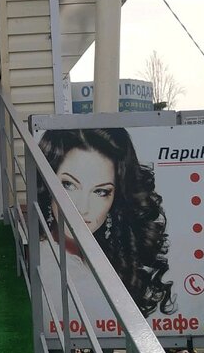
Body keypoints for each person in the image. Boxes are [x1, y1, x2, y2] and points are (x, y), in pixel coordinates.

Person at [38, 128, 173, 318]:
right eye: (69, 185)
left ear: (115, 198)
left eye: (100, 192)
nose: (83, 208)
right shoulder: (46, 265)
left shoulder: (106, 256)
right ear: (47, 185)